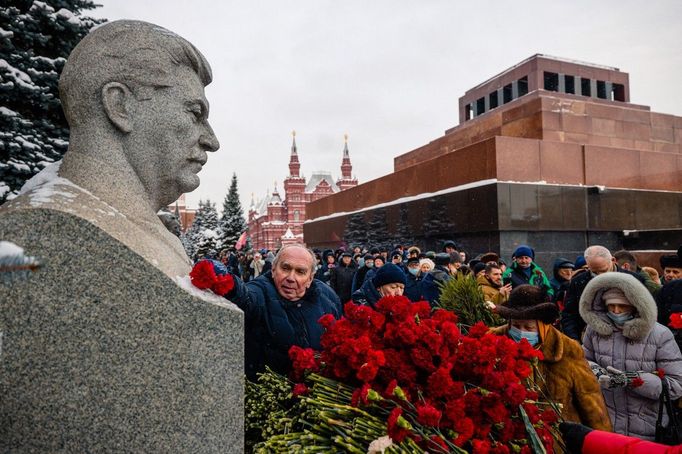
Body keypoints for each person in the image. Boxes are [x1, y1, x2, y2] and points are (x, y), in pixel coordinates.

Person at [1, 20, 220, 278]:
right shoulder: (41, 230)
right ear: (119, 106)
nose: (212, 141)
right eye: (194, 113)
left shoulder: (144, 231)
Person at [191, 244, 342, 380]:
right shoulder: (260, 291)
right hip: (272, 396)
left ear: (310, 278)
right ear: (274, 269)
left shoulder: (327, 296)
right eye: (286, 268)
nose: (291, 277)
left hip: (320, 396)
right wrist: (224, 279)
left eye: (300, 272)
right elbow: (246, 297)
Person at [492, 285, 612, 431]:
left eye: (529, 328)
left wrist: (600, 439)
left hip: (557, 437)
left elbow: (589, 397)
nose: (522, 333)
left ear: (544, 325)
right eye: (516, 326)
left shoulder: (568, 349)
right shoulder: (493, 341)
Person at [579, 272, 682, 440]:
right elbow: (583, 361)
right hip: (605, 423)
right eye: (610, 306)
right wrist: (594, 370)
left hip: (647, 427)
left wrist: (632, 380)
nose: (616, 311)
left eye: (622, 306)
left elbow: (676, 385)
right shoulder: (594, 331)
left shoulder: (659, 334)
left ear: (635, 305)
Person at [561, 245, 646, 342]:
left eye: (603, 270)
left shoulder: (634, 280)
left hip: (627, 338)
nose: (600, 276)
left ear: (613, 260)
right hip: (591, 339)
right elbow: (570, 315)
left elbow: (644, 312)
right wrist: (574, 340)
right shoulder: (578, 282)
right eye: (594, 272)